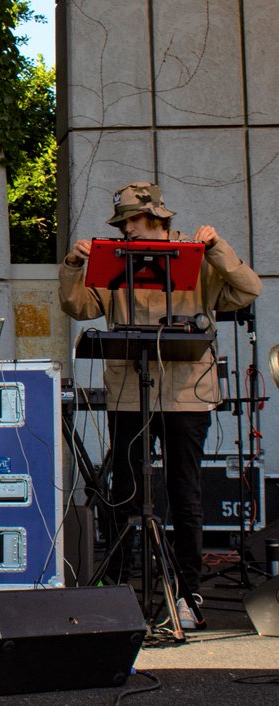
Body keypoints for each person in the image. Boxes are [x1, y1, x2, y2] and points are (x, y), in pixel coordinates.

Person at [59, 182, 261, 630]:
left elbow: (248, 289)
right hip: (131, 390)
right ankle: (117, 589)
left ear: (155, 218)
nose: (125, 231)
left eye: (129, 221)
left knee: (184, 493)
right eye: (122, 224)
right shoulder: (114, 259)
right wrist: (74, 265)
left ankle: (188, 594)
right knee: (125, 490)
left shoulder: (196, 253)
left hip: (186, 393)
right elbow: (79, 307)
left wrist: (217, 248)